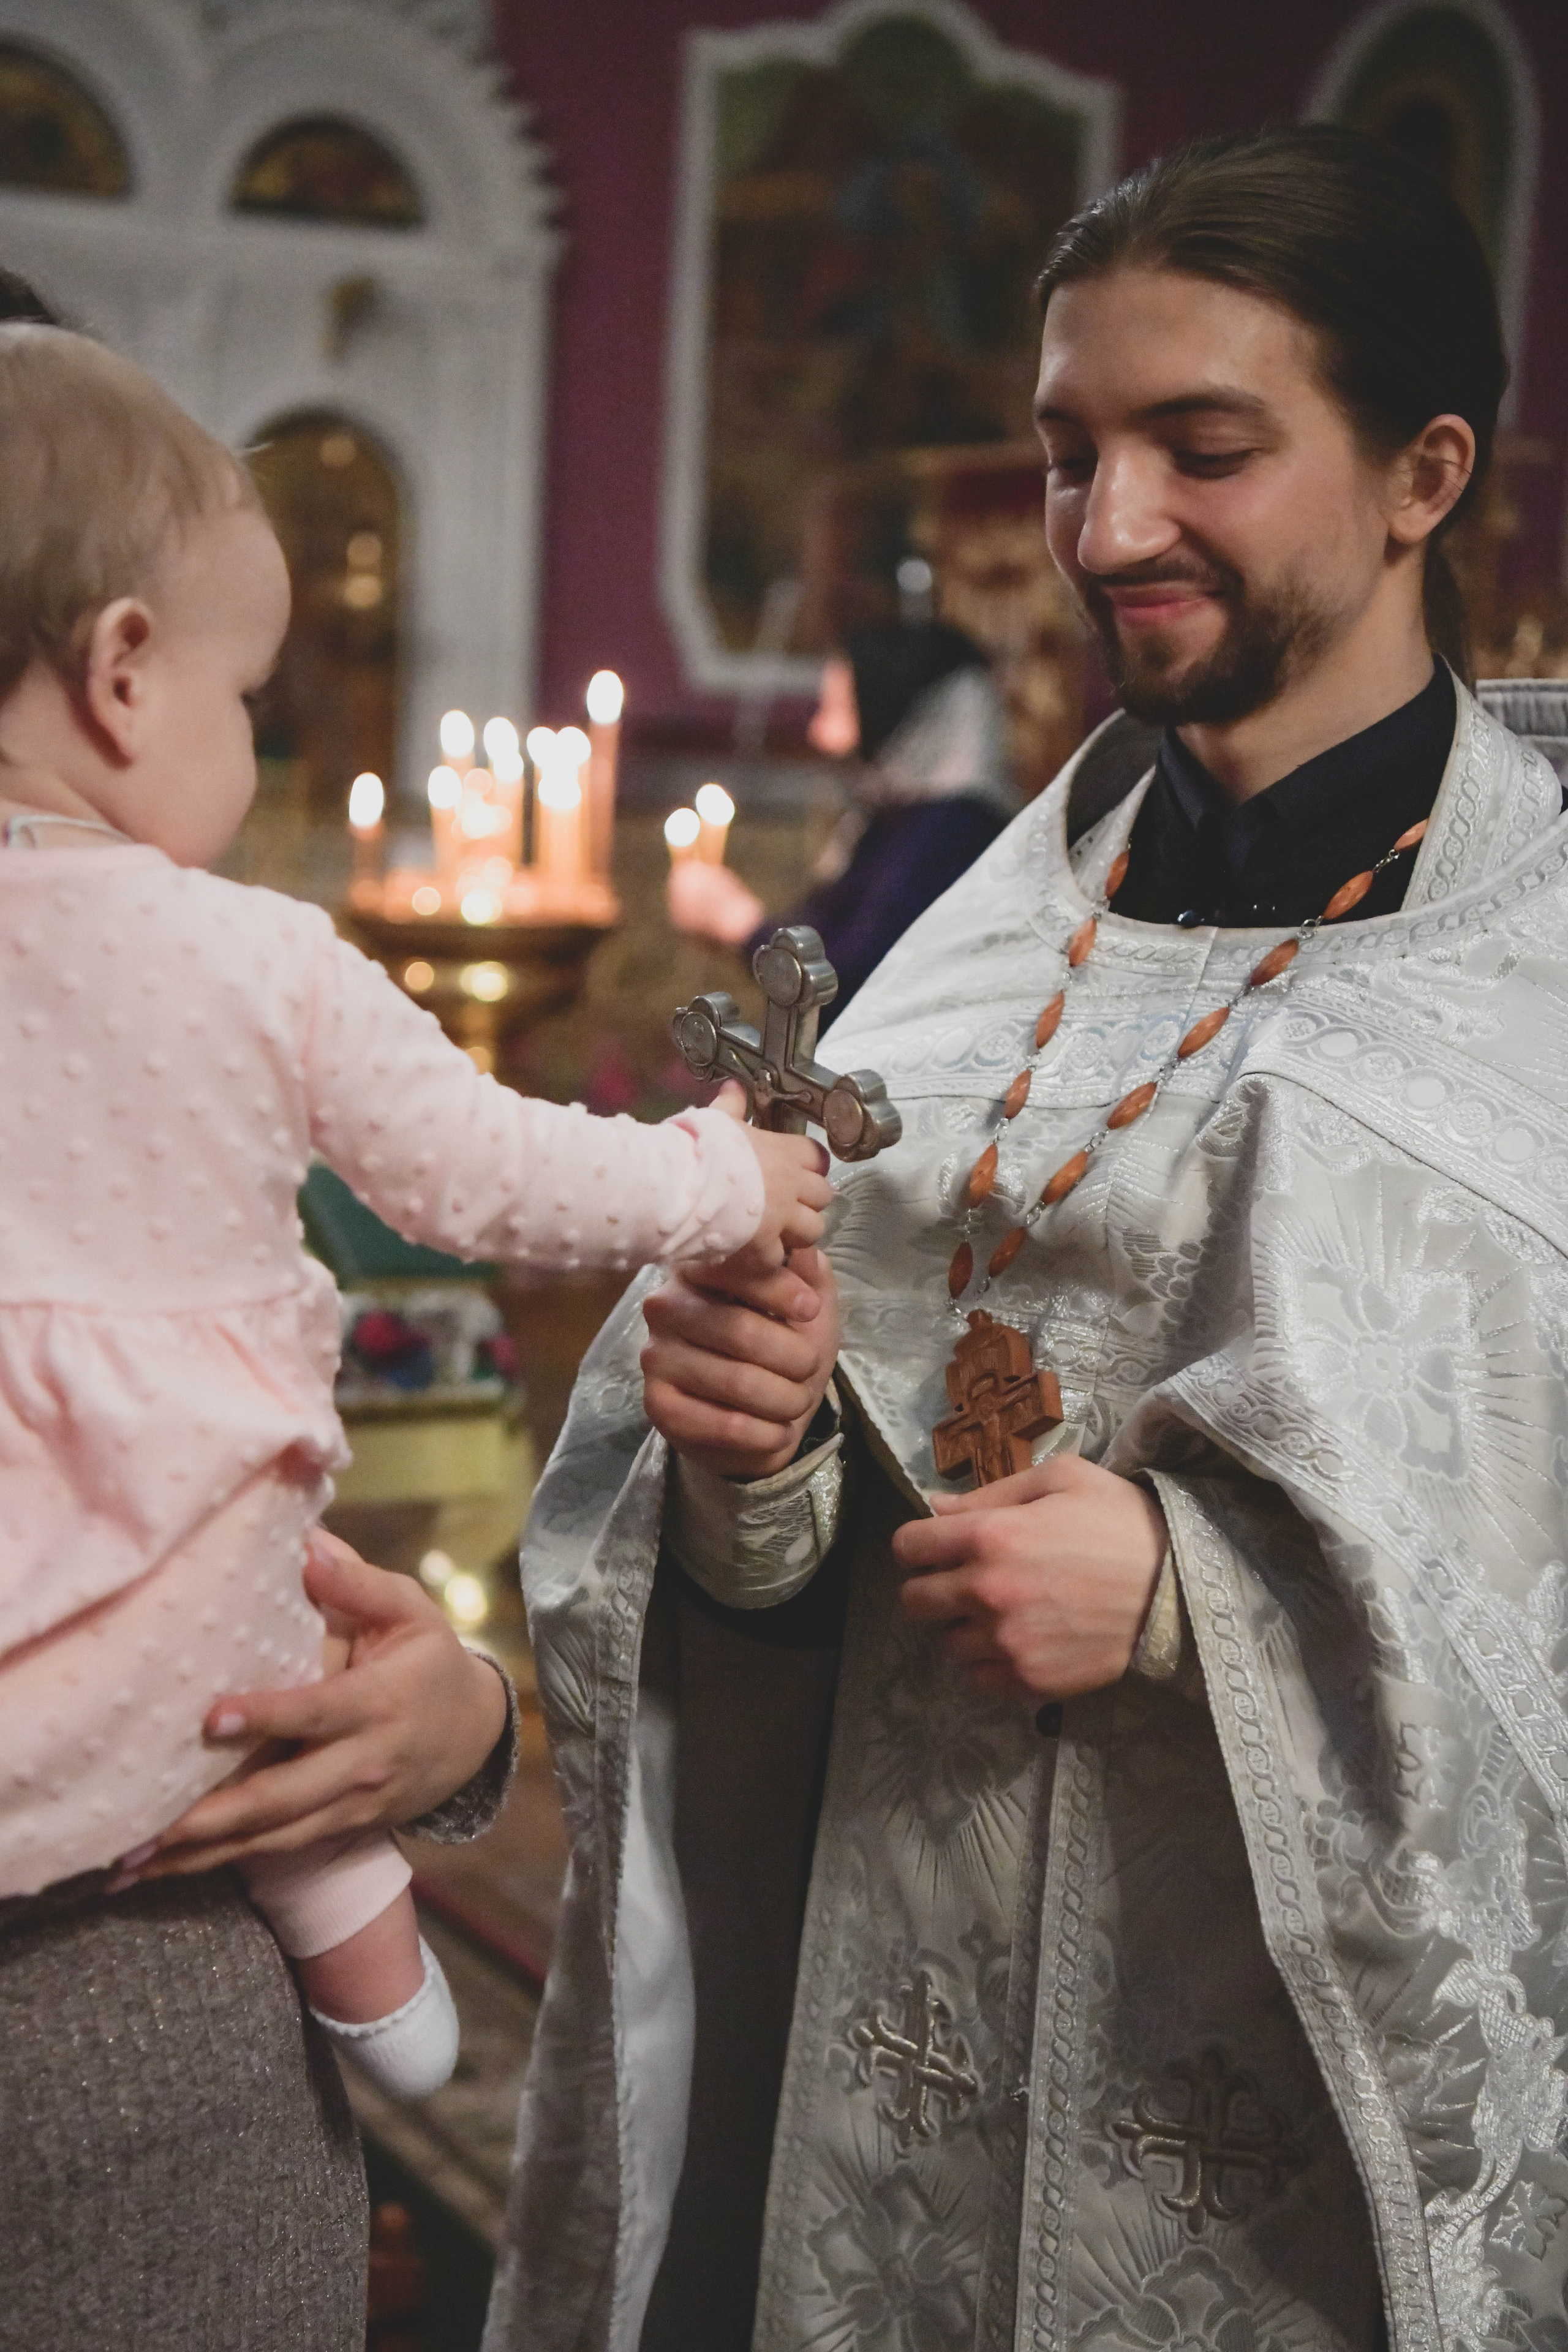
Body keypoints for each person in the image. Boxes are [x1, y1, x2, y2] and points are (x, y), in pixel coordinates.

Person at [491, 127, 1568, 2352]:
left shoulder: (1531, 971)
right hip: (884, 2060)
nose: (1103, 530)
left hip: (1278, 2157)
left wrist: (1201, 1610)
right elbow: (771, 1618)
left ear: (1417, 473)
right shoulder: (984, 946)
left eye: (1202, 449)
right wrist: (753, 1466)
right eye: (1069, 453)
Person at [0, 322, 828, 2343]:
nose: (252, 748)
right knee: (250, 1647)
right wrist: (734, 1184)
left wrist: (454, 1716)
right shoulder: (257, 956)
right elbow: (491, 1174)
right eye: (247, 698)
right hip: (170, 1869)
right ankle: (361, 1937)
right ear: (122, 672)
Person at [668, 620, 1016, 1022]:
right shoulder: (895, 819)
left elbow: (850, 984)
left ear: (895, 721)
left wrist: (738, 921)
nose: (819, 734)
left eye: (840, 710)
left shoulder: (952, 832)